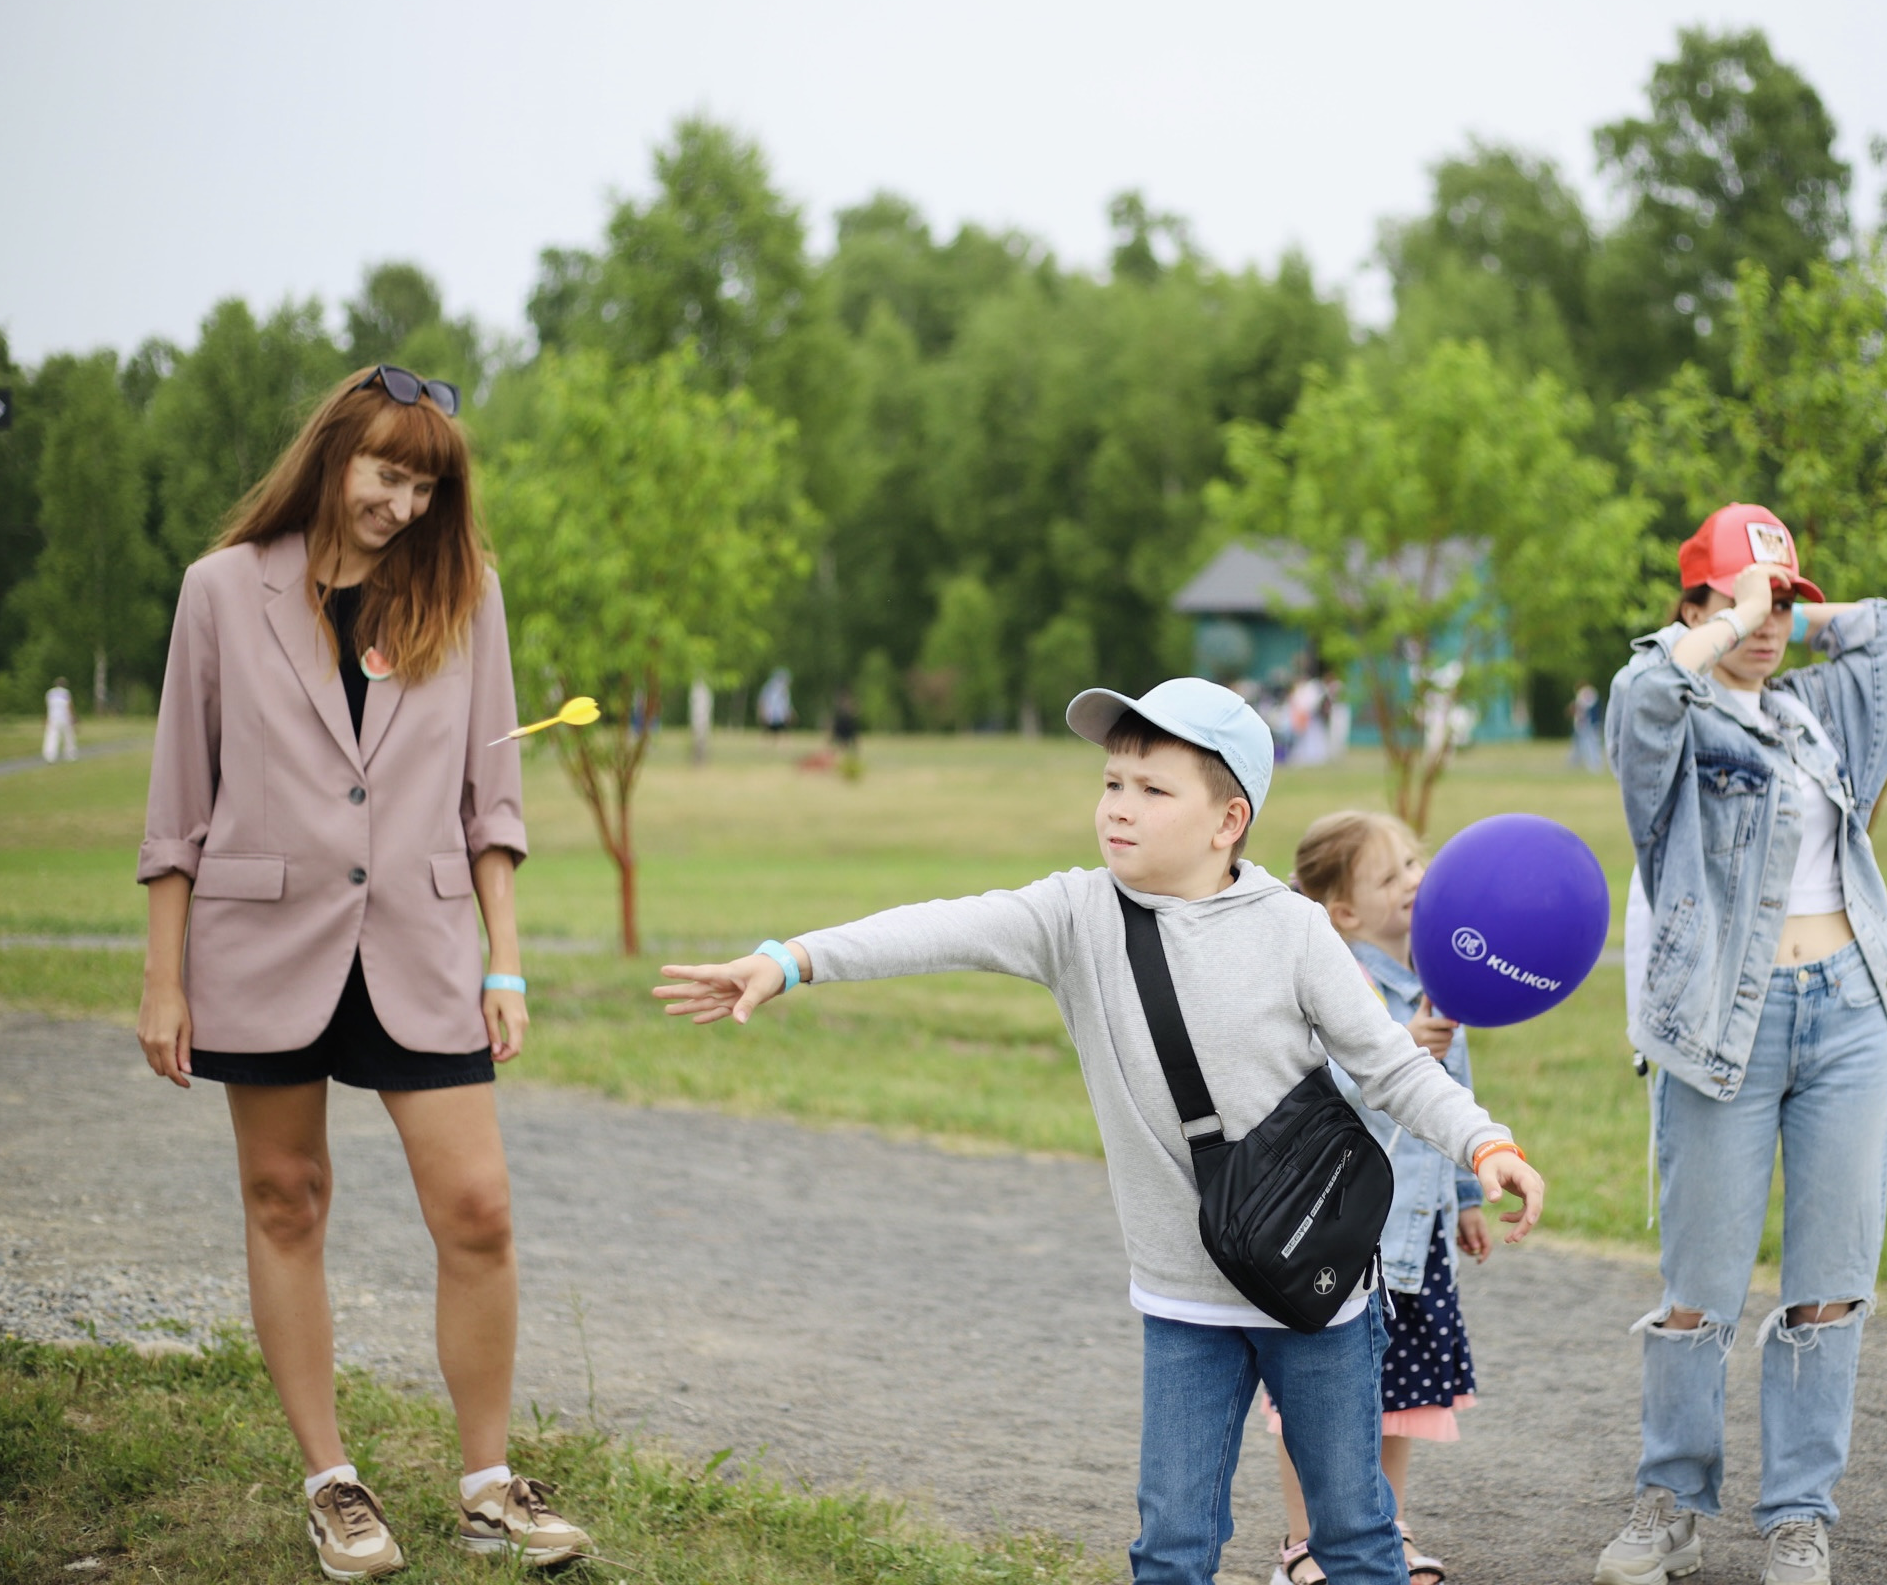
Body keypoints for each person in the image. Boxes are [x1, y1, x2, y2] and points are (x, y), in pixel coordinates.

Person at [653, 678, 1548, 1585]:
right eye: (1113, 783)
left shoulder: (1293, 930)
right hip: (1183, 1300)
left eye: (1153, 790)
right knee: (1170, 1547)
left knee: (1355, 1536)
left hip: (1318, 1290)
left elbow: (1390, 1065)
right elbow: (938, 928)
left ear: (1227, 819)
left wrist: (1487, 1144)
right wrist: (789, 960)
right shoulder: (1074, 915)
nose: (1119, 809)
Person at [136, 365, 591, 1578]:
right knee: (287, 1198)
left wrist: (508, 963)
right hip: (259, 944)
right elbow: (180, 799)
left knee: (478, 1209)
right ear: (334, 453)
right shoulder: (220, 592)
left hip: (424, 945)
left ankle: (489, 1483)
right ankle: (333, 1482)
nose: (403, 502)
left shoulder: (466, 592)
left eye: (426, 484)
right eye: (387, 473)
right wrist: (162, 978)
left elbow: (492, 803)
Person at [1598, 503, 1887, 1585]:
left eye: (1783, 601)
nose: (1768, 621)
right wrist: (1725, 619)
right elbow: (1641, 694)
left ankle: (1799, 1514)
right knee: (1700, 1284)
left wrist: (1796, 610)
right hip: (1721, 1028)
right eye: (1740, 599)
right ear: (1690, 606)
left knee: (1829, 1282)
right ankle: (1669, 1504)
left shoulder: (1816, 707)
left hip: (1847, 1011)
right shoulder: (1677, 723)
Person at [1266, 810, 1492, 1585]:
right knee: (1314, 1394)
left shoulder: (1438, 985)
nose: (1417, 879)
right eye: (1392, 873)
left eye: (1416, 862)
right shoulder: (1336, 982)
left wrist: (1465, 1194)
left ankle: (1382, 1532)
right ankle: (1303, 1543)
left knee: (1398, 1398)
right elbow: (1321, 1091)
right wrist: (1397, 1046)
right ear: (1344, 914)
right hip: (1345, 1234)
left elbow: (1455, 1095)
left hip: (1415, 1235)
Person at [43, 675, 78, 762]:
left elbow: (48, 707)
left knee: (52, 737)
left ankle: (50, 756)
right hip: (65, 718)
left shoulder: (50, 693)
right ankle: (71, 756)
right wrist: (73, 717)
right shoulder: (66, 693)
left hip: (53, 718)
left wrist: (46, 718)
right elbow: (69, 706)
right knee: (69, 737)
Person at [1570, 683, 1602, 772]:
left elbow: (1583, 709)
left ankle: (1595, 764)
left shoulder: (1587, 694)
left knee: (1591, 745)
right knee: (1579, 744)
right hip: (1585, 725)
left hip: (1590, 724)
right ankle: (1575, 761)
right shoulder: (1588, 695)